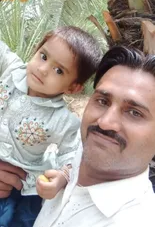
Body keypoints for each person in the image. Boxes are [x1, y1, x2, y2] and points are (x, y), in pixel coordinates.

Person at [33, 45, 155, 227]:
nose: (105, 123)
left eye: (135, 113)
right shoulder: (87, 149)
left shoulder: (135, 220)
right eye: (102, 101)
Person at [0, 25, 102, 227]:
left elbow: (73, 155)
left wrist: (62, 178)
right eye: (43, 56)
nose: (43, 69)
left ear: (73, 87)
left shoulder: (63, 121)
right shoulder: (12, 71)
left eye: (58, 70)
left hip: (18, 186)